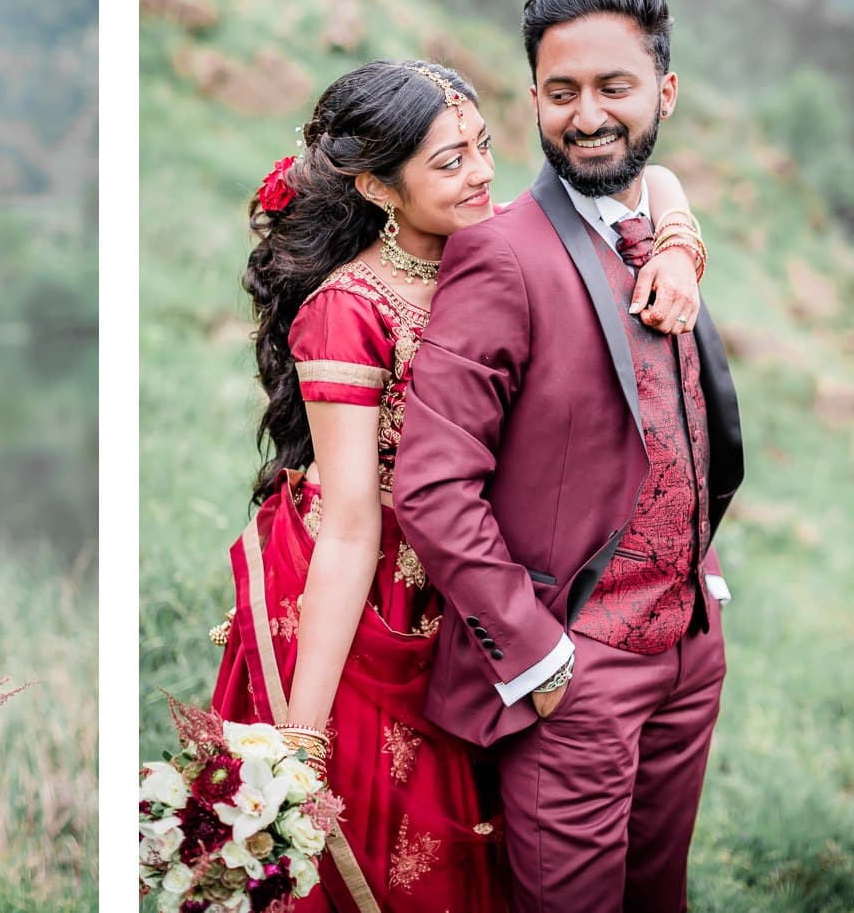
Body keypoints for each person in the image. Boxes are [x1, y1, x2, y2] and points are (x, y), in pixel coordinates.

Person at [211, 57, 707, 912]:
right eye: (449, 163)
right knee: (385, 844)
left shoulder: (506, 242)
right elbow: (351, 521)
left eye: (482, 147)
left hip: (489, 577)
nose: (482, 174)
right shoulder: (349, 308)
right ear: (376, 185)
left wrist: (679, 243)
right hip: (375, 601)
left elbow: (653, 176)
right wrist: (299, 735)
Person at [393, 0, 744, 913]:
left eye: (614, 88)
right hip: (572, 671)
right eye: (561, 92)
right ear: (535, 100)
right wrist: (541, 657)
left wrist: (698, 572)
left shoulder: (658, 229)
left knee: (657, 897)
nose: (587, 116)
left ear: (663, 93)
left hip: (689, 648)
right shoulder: (500, 254)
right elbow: (431, 486)